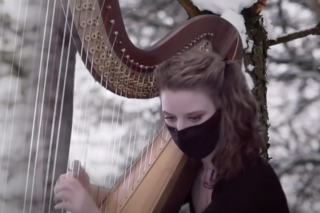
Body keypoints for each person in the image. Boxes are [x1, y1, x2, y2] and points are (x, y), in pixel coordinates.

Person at [54, 50, 290, 213]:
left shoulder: (250, 184)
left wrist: (88, 209)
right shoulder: (200, 165)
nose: (181, 129)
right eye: (170, 118)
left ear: (227, 110)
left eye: (195, 117)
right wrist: (92, 193)